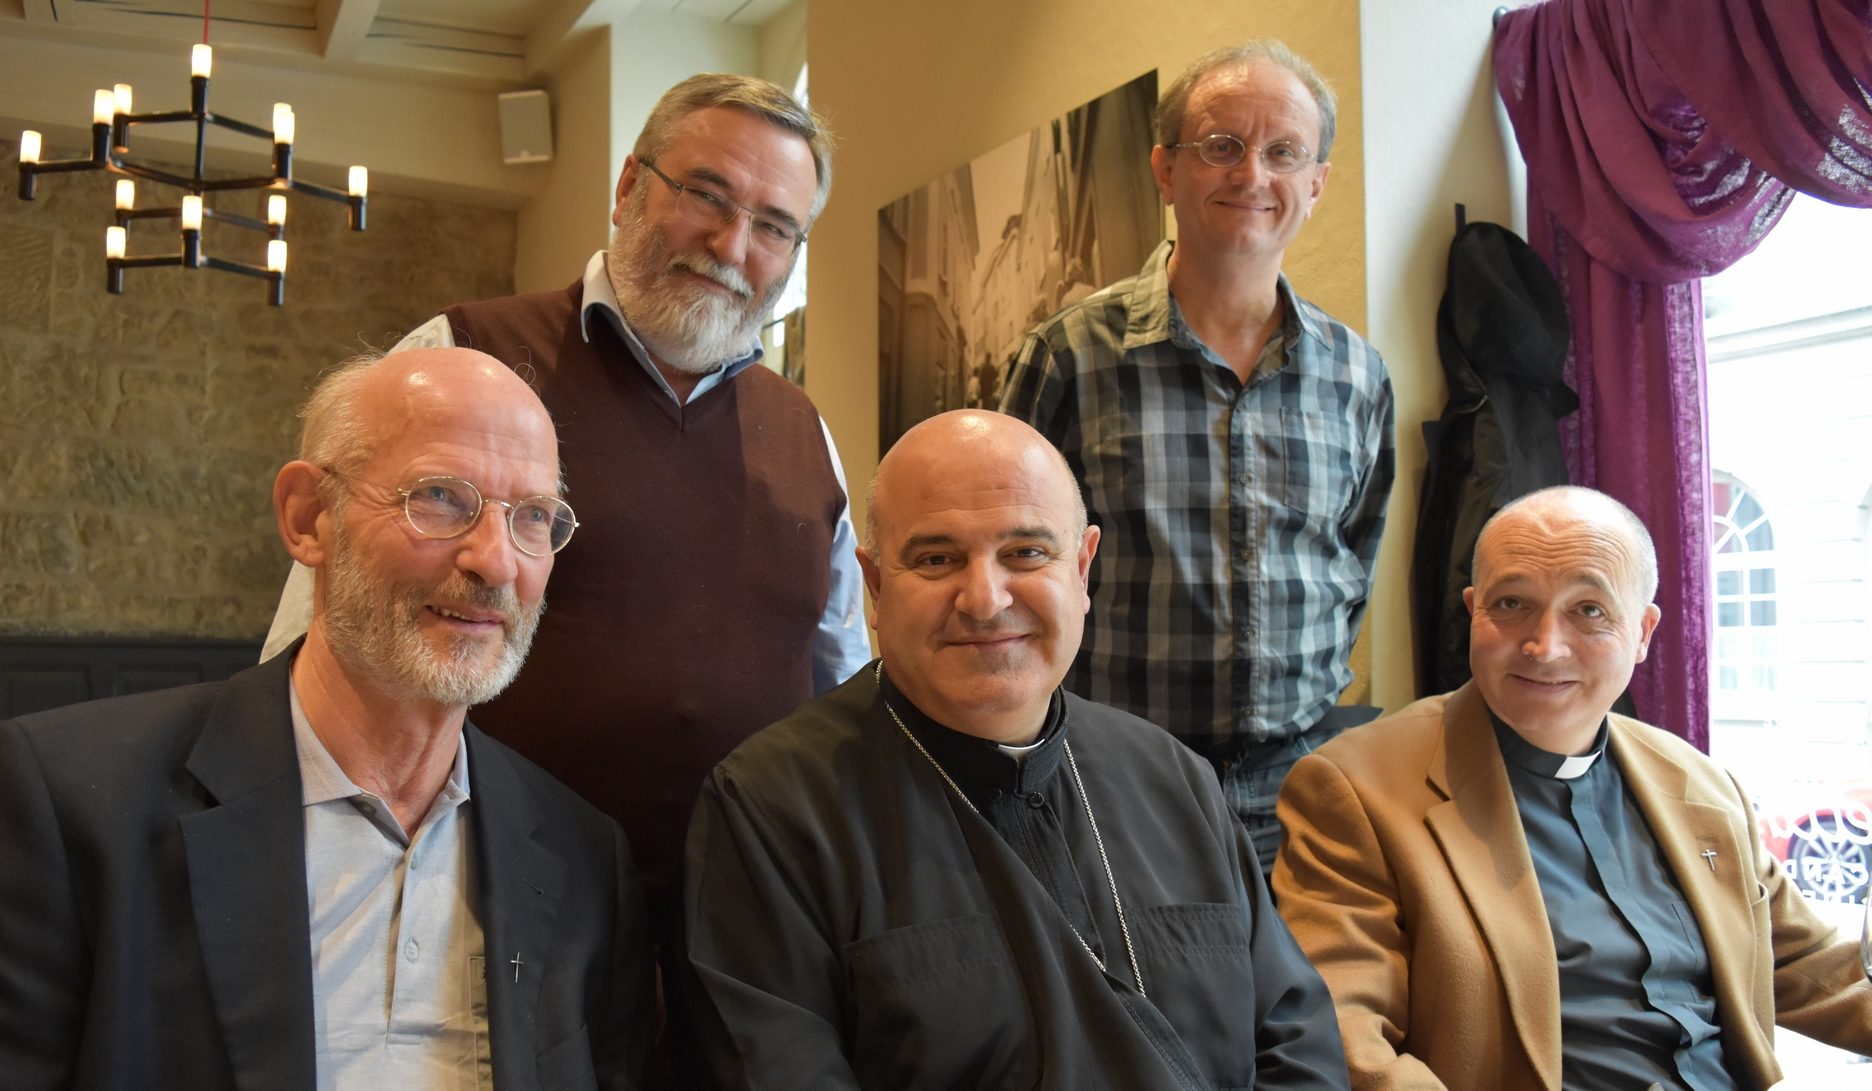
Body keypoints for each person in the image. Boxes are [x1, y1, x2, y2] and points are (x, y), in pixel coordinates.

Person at [0, 348, 654, 1090]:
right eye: (442, 497)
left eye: (533, 517)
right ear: (309, 516)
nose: (496, 562)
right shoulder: (69, 808)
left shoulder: (580, 861)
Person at [258, 74, 868, 914]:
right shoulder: (465, 355)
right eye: (706, 194)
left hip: (746, 927)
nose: (732, 245)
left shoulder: (808, 436)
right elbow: (316, 634)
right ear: (628, 186)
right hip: (483, 905)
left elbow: (846, 690)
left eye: (774, 226)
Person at [680, 410, 1347, 1089]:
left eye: (1026, 552)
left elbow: (1298, 1040)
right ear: (876, 587)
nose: (984, 599)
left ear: (1082, 569)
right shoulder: (770, 811)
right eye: (936, 558)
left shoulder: (1176, 777)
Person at [1273, 486, 1872, 1090]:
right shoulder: (1356, 789)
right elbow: (1343, 1038)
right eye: (1511, 604)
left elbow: (1811, 966)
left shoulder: (1702, 785)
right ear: (1472, 611)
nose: (1544, 646)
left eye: (1589, 610)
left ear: (1642, 632)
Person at [1001, 40, 1395, 871]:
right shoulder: (1070, 357)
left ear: (1316, 182)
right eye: (1221, 145)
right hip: (1115, 779)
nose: (1252, 174)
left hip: (1307, 787)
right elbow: (1011, 568)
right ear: (1164, 169)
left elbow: (1352, 563)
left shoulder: (1359, 375)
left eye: (1284, 152)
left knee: (1298, 1002)